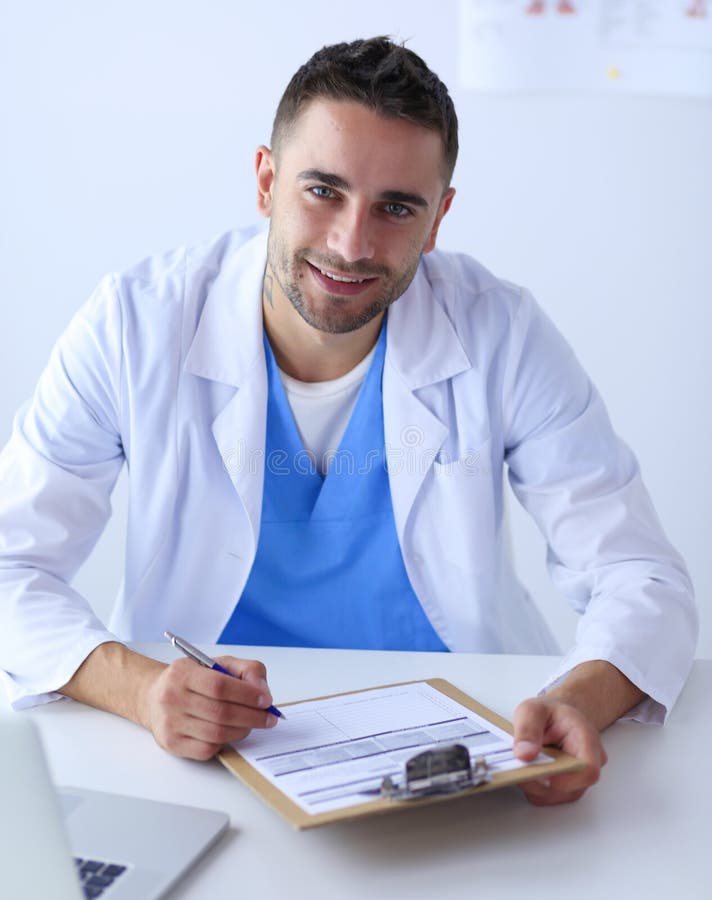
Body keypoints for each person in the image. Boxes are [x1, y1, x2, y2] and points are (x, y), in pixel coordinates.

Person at [0, 37, 696, 806]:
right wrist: (142, 690)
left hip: (464, 753)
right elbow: (10, 564)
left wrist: (578, 700)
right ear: (265, 181)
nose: (352, 244)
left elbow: (640, 575)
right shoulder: (135, 324)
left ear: (438, 220)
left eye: (396, 207)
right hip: (206, 757)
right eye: (322, 191)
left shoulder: (501, 332)